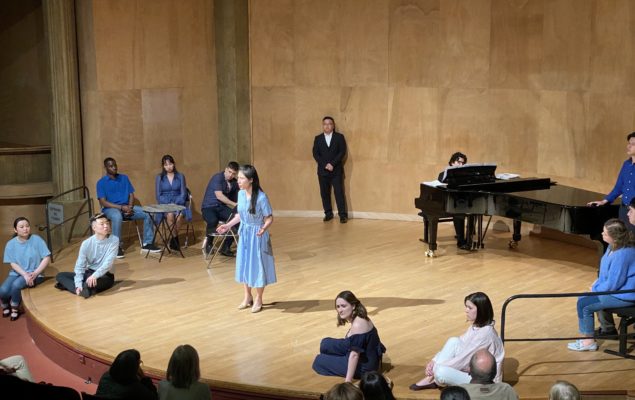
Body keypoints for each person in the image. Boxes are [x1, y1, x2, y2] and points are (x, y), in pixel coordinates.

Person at [410, 292, 504, 390]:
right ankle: (431, 378)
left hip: (484, 383)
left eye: (470, 308)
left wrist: (435, 368)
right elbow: (460, 344)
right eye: (466, 307)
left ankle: (433, 377)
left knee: (441, 372)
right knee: (454, 341)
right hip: (472, 371)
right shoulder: (477, 326)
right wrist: (434, 360)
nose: (466, 311)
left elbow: (463, 360)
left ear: (481, 310)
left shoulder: (485, 334)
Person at [568, 218, 635, 351]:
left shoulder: (622, 254)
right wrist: (597, 283)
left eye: (605, 233)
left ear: (614, 237)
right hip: (615, 290)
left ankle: (588, 342)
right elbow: (605, 272)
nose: (602, 234)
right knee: (583, 299)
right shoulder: (612, 246)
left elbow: (614, 284)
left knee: (584, 304)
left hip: (624, 295)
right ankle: (593, 335)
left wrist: (595, 289)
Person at [216, 164, 276, 313]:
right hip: (245, 234)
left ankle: (259, 298)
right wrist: (228, 225)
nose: (239, 181)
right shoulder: (241, 194)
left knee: (257, 267)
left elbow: (269, 218)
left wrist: (264, 228)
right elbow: (240, 216)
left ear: (251, 180)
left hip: (258, 235)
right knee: (244, 264)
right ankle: (247, 296)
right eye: (239, 178)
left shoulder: (261, 197)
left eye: (242, 178)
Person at [312, 290, 386, 382]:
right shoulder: (360, 316)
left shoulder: (358, 325)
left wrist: (348, 381)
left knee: (319, 361)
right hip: (358, 351)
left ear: (353, 306)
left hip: (364, 367)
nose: (340, 310)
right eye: (338, 307)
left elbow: (354, 355)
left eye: (343, 306)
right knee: (325, 343)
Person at [97, 157, 161, 258]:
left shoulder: (124, 178)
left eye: (115, 165)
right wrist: (121, 208)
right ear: (105, 168)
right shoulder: (101, 183)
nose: (114, 167)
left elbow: (131, 194)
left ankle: (147, 244)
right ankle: (116, 247)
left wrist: (130, 207)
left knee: (148, 212)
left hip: (127, 207)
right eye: (111, 166)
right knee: (117, 216)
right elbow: (103, 202)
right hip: (110, 209)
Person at [55, 213, 118, 298]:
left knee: (88, 284)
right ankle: (80, 289)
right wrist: (78, 284)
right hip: (88, 273)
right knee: (60, 275)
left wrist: (94, 276)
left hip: (105, 275)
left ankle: (77, 287)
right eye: (102, 224)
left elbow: (108, 264)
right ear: (94, 228)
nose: (106, 226)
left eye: (107, 223)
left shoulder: (114, 240)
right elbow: (79, 266)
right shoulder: (86, 244)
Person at [1, 217, 50, 321]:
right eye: (21, 227)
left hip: (35, 274)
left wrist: (36, 273)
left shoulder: (37, 239)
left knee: (16, 285)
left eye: (27, 226)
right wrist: (24, 274)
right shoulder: (11, 244)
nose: (25, 229)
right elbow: (13, 263)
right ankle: (5, 304)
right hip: (17, 272)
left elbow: (46, 257)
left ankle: (14, 307)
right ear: (15, 229)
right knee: (3, 291)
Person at [588, 132, 635, 231]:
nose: (629, 146)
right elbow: (618, 187)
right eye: (629, 143)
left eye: (633, 144)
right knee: (624, 239)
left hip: (634, 210)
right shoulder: (626, 164)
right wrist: (604, 201)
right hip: (623, 209)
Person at [313, 116, 348, 223]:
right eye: (325, 124)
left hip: (336, 171)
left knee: (339, 192)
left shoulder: (339, 137)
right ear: (323, 126)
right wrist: (325, 165)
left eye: (329, 124)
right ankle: (328, 214)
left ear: (333, 126)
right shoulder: (318, 138)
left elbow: (342, 152)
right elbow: (315, 154)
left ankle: (342, 215)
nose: (327, 126)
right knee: (324, 193)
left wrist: (332, 164)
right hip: (323, 171)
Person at [201, 161, 239, 256]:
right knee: (213, 220)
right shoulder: (217, 177)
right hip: (208, 207)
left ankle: (225, 247)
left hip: (221, 208)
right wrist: (234, 204)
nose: (231, 175)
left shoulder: (234, 183)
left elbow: (238, 196)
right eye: (229, 172)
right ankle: (209, 244)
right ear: (226, 169)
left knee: (237, 219)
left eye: (233, 173)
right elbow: (219, 196)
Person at [155, 155, 189, 251]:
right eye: (166, 165)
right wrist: (169, 204)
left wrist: (176, 203)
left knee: (179, 216)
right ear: (163, 166)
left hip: (178, 203)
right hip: (165, 204)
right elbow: (158, 195)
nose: (168, 166)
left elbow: (183, 193)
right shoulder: (159, 177)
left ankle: (172, 240)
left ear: (173, 164)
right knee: (170, 215)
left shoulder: (180, 176)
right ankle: (175, 240)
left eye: (170, 164)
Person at [438, 152, 469, 249]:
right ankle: (461, 241)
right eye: (458, 162)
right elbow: (439, 190)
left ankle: (468, 237)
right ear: (452, 162)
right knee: (458, 212)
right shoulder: (443, 174)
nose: (461, 165)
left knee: (475, 211)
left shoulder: (465, 176)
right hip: (446, 202)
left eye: (463, 163)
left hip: (460, 201)